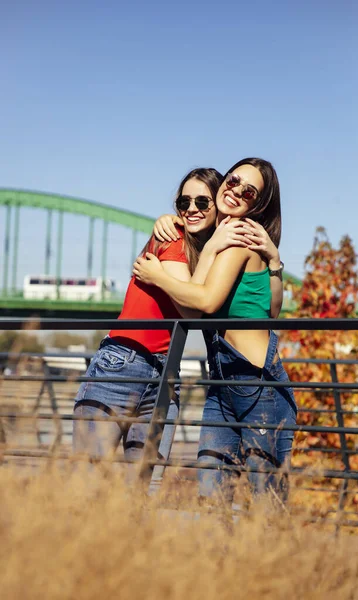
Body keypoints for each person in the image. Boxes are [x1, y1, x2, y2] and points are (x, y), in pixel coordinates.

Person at [72, 167, 257, 490]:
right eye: (183, 202)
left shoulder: (204, 256)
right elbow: (190, 310)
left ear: (218, 206)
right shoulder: (172, 238)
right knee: (87, 489)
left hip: (164, 374)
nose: (191, 210)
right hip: (121, 365)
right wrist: (210, 249)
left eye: (202, 202)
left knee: (143, 493)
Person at [133, 158, 297, 503]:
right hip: (221, 387)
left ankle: (282, 559)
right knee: (211, 496)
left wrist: (159, 276)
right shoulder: (221, 238)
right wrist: (173, 221)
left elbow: (205, 301)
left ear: (258, 204)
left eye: (248, 191)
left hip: (257, 385)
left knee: (267, 505)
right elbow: (266, 307)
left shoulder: (238, 238)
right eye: (233, 180)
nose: (236, 190)